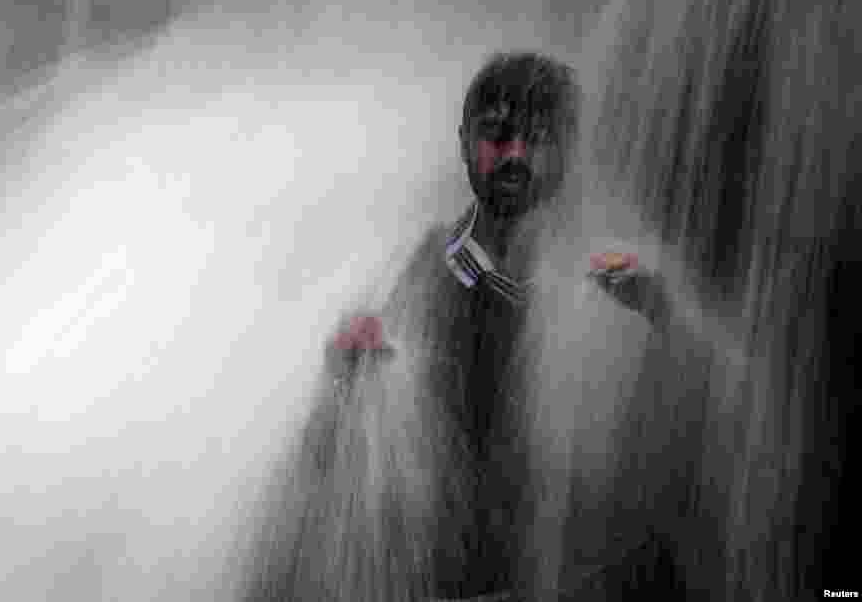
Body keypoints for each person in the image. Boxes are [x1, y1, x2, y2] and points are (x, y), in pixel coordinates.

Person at [241, 51, 670, 602]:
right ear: (464, 142)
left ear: (568, 151)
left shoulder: (606, 280)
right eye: (497, 135)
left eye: (537, 137)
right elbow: (329, 463)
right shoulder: (423, 274)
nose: (515, 154)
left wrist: (662, 316)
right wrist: (344, 382)